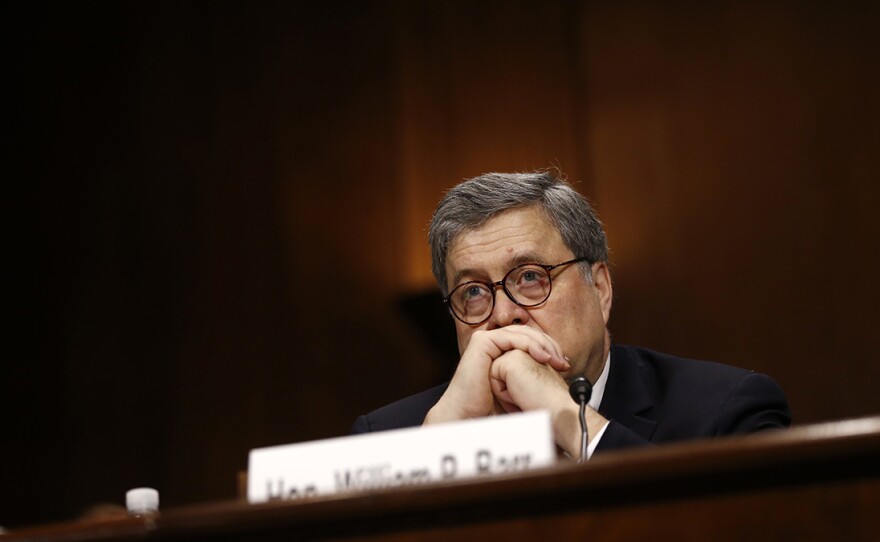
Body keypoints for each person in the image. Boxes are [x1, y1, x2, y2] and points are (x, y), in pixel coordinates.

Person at [351, 171, 790, 459]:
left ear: (599, 289)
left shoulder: (723, 415)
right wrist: (441, 453)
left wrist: (569, 418)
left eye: (529, 278)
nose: (504, 316)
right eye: (473, 292)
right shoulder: (390, 440)